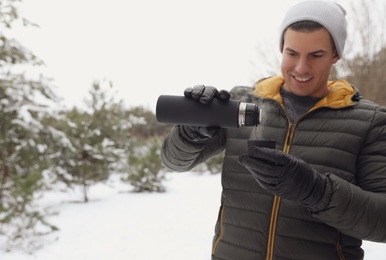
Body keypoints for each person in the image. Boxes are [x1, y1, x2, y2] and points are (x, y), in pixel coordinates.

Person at [160, 0, 386, 259]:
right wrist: (189, 133)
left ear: (335, 54)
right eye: (292, 53)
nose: (301, 68)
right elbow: (173, 162)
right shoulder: (242, 103)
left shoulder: (370, 122)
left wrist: (316, 191)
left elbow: (382, 222)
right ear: (281, 48)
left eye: (315, 55)